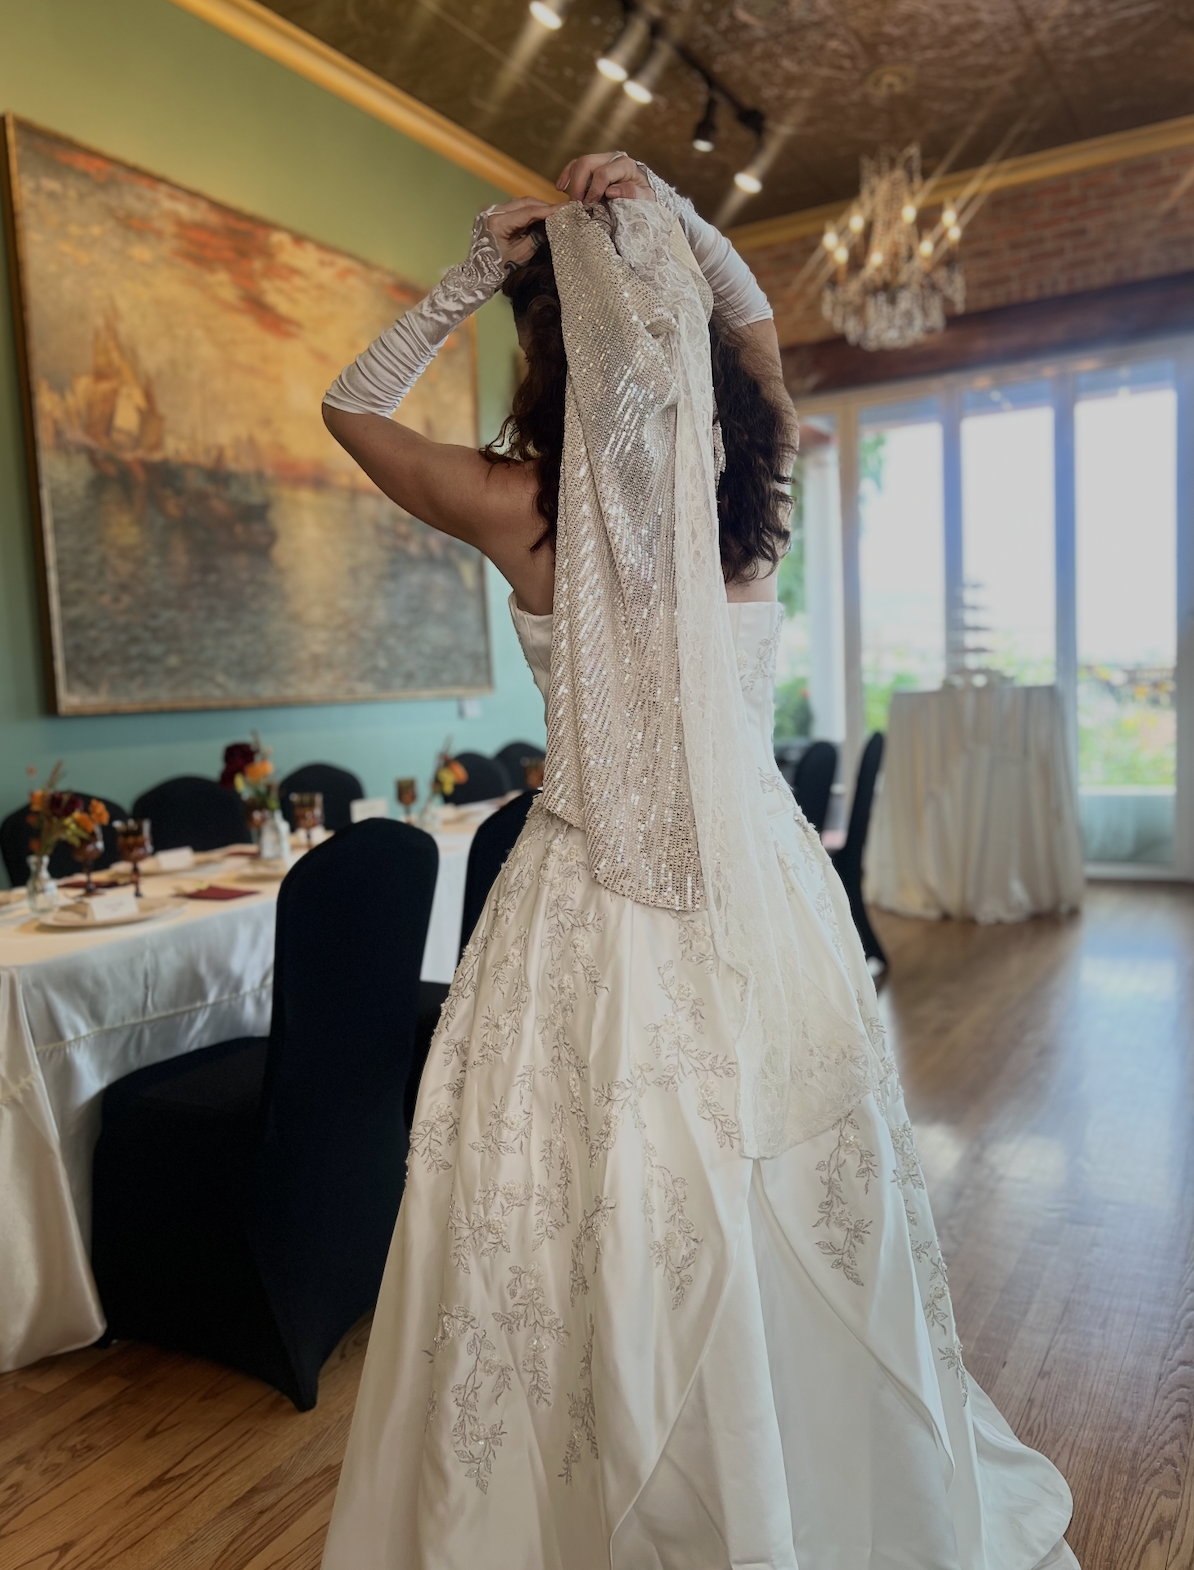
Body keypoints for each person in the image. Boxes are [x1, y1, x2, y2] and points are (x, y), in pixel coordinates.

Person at [319, 151, 1079, 1570]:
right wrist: (675, 213)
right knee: (749, 1176)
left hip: (580, 900)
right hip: (759, 894)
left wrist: (490, 263)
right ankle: (765, 1463)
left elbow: (348, 404)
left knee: (572, 1190)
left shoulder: (519, 504)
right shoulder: (758, 481)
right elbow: (754, 326)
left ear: (554, 349)